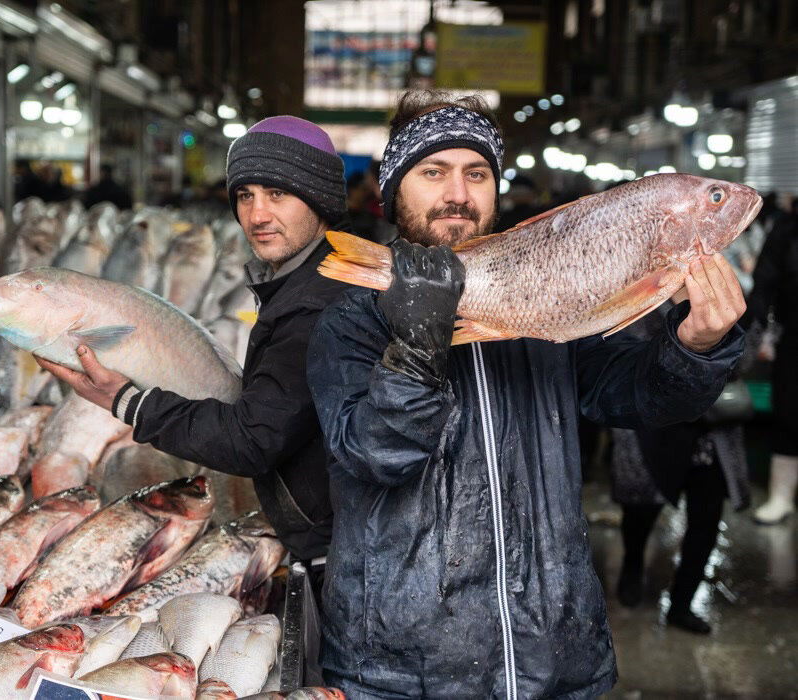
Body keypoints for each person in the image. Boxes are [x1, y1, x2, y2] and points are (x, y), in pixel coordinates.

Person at [305, 90, 747, 699]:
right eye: (433, 172)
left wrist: (695, 346)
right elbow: (377, 457)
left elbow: (639, 402)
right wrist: (415, 348)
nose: (458, 192)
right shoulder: (349, 322)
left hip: (555, 661)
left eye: (477, 173)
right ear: (392, 189)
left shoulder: (551, 300)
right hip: (401, 674)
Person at [36, 115, 351, 566]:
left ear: (319, 198)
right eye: (245, 195)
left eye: (277, 194)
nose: (257, 214)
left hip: (333, 551)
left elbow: (253, 441)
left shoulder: (318, 298)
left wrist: (127, 402)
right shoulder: (299, 278)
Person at [611, 299, 751, 634]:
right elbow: (622, 354)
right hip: (653, 426)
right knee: (640, 509)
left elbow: (742, 352)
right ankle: (632, 567)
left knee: (706, 520)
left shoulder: (716, 291)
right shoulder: (645, 293)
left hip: (709, 431)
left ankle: (682, 604)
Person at [746, 207, 798, 524]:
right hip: (793, 339)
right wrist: (760, 335)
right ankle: (781, 496)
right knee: (790, 415)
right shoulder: (787, 229)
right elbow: (763, 283)